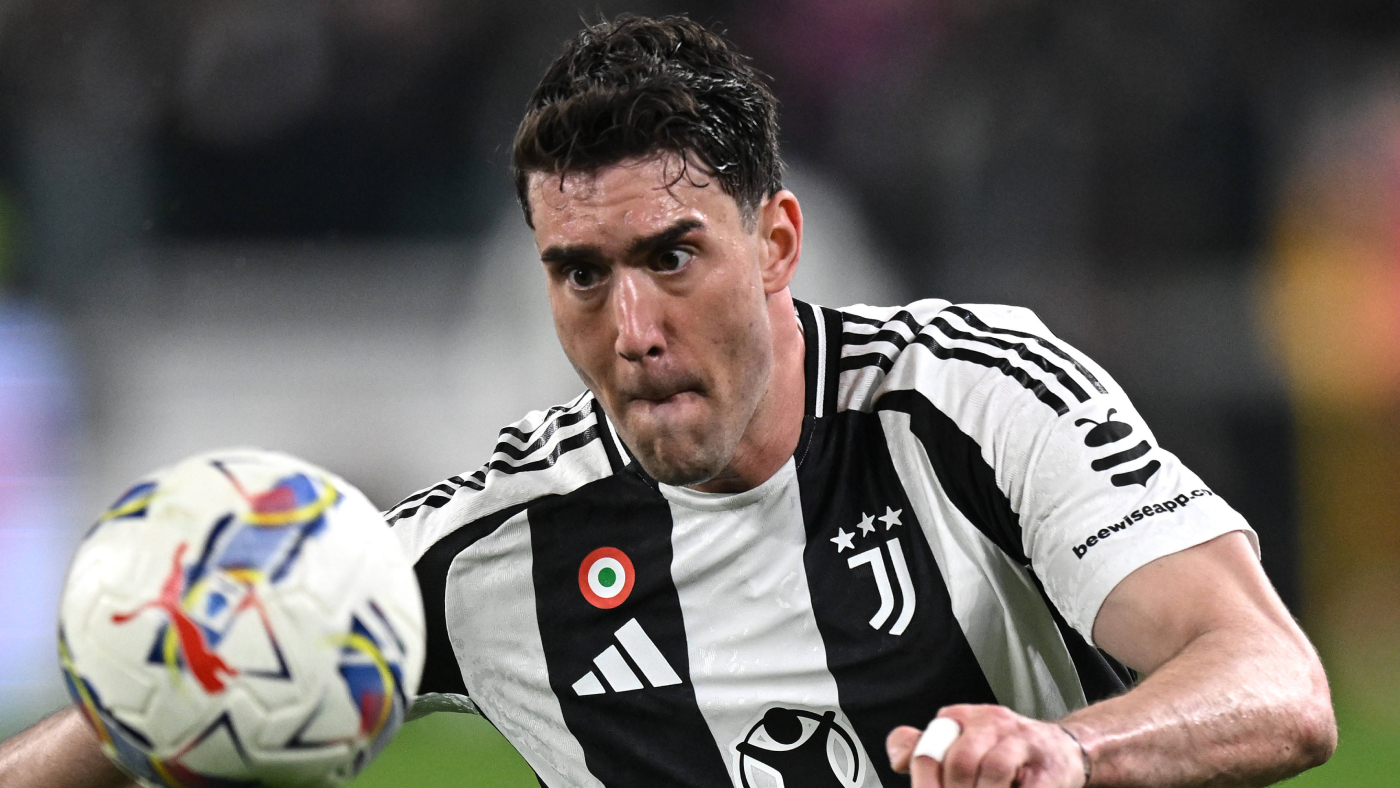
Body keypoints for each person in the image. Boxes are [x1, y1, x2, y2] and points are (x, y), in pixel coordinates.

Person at [0, 14, 1335, 788]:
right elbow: (164, 696)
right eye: (580, 274)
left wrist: (1068, 753)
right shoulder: (498, 546)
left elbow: (1277, 684)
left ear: (778, 243)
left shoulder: (969, 398)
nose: (631, 330)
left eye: (673, 258)